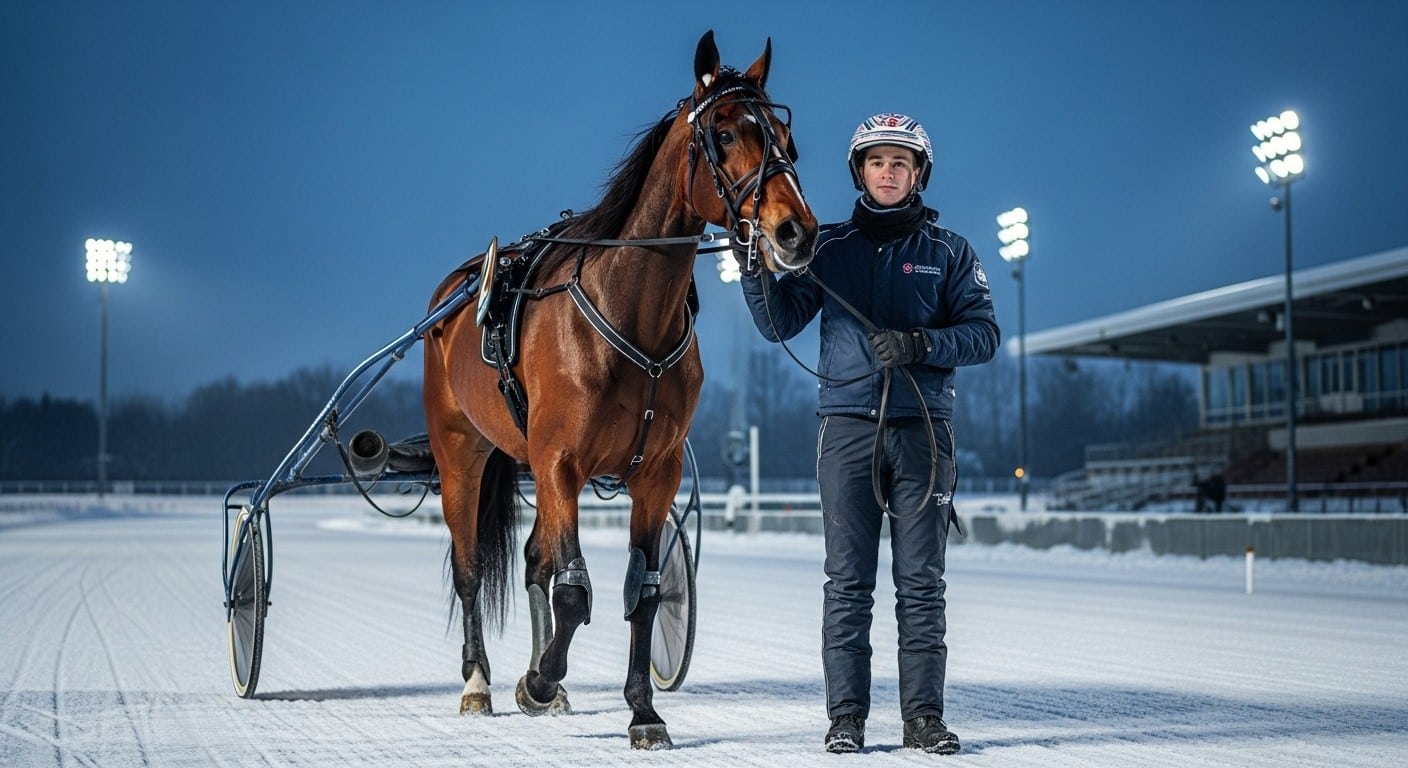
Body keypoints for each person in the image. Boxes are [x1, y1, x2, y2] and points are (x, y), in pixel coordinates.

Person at [734, 112, 999, 754]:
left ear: (918, 175)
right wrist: (754, 270)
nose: (888, 172)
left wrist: (920, 344)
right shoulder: (827, 247)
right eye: (877, 162)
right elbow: (780, 324)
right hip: (847, 432)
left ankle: (923, 720)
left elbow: (984, 335)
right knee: (848, 585)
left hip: (923, 436)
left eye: (900, 163)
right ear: (860, 171)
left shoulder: (951, 253)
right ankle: (846, 718)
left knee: (922, 586)